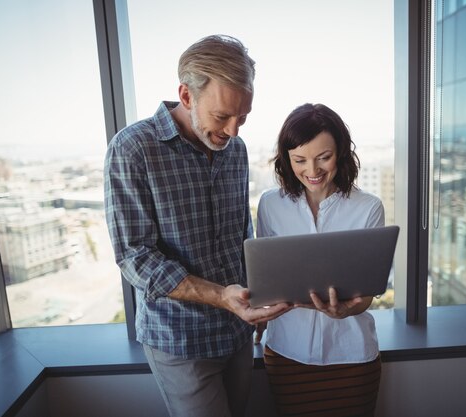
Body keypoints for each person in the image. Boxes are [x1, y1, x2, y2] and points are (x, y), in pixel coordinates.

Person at [104, 35, 290, 417]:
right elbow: (134, 257)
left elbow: (242, 235)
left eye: (243, 117)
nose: (234, 131)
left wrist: (255, 298)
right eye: (222, 116)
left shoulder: (234, 150)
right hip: (180, 339)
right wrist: (222, 296)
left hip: (238, 331)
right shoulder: (133, 148)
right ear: (186, 96)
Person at [256, 103, 385, 417]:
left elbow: (367, 295)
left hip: (351, 356)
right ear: (286, 159)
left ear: (340, 152)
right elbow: (266, 276)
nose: (312, 171)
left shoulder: (368, 207)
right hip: (287, 351)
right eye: (300, 160)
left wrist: (345, 310)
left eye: (323, 157)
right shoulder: (270, 204)